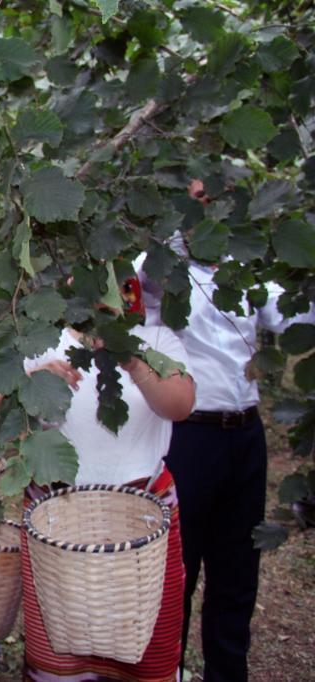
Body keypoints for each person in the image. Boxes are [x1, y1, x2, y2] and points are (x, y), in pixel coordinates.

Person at [137, 180, 315, 681]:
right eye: (199, 201)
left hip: (244, 437)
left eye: (216, 201)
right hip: (189, 440)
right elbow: (135, 275)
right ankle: (165, 671)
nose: (209, 210)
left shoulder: (245, 275)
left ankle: (227, 672)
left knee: (238, 568)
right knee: (180, 569)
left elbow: (295, 313)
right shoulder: (162, 274)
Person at [18, 280, 195, 681]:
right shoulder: (43, 342)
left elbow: (181, 404)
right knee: (59, 656)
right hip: (58, 521)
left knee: (144, 649)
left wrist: (132, 360)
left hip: (143, 522)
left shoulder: (156, 341)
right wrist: (35, 383)